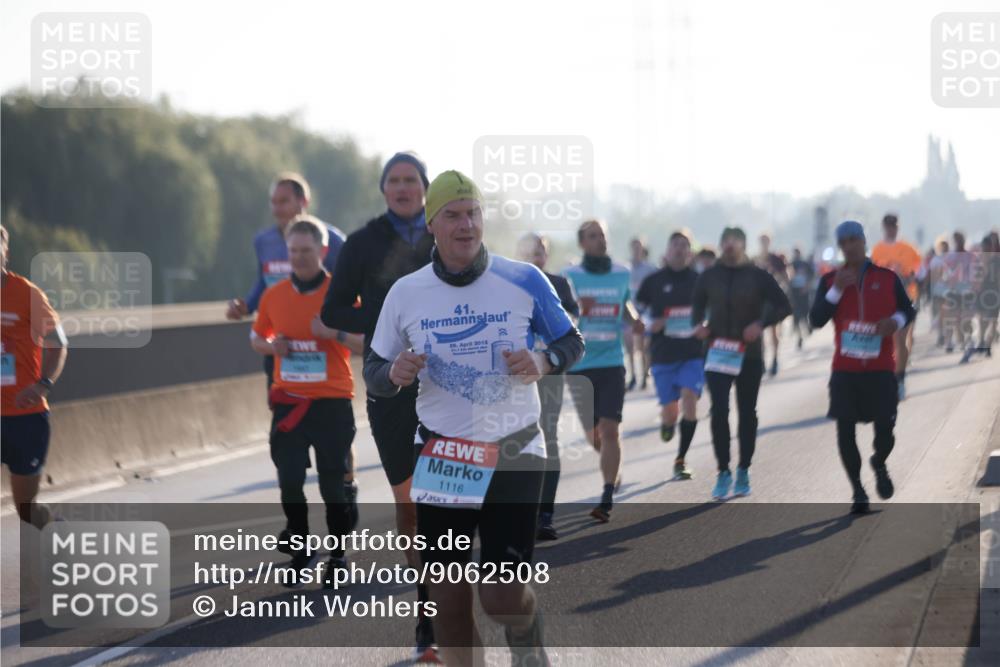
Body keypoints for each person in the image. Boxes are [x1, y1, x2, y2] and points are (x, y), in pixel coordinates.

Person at [364, 170, 584, 667]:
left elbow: (573, 341)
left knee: (502, 599)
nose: (466, 225)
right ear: (432, 226)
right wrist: (394, 372)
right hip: (445, 454)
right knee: (449, 607)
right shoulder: (406, 293)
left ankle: (529, 641)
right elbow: (373, 370)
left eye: (474, 213)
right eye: (453, 215)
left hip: (514, 447)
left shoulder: (524, 278)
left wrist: (545, 362)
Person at [319, 151, 441, 661]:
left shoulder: (447, 233)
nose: (402, 187)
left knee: (445, 498)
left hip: (447, 382)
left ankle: (432, 610)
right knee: (410, 499)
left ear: (425, 187)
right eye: (394, 180)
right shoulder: (364, 242)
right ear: (384, 189)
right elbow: (331, 309)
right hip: (388, 382)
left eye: (411, 179)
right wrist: (386, 316)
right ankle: (427, 598)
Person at [226, 173, 357, 547]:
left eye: (283, 201)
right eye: (273, 202)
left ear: (302, 202)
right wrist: (249, 314)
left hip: (332, 388)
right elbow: (260, 290)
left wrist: (335, 329)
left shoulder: (333, 240)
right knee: (289, 469)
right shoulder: (264, 242)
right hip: (285, 364)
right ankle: (297, 533)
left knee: (332, 472)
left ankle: (345, 490)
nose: (276, 208)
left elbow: (353, 300)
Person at [250, 217, 363, 587]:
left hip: (332, 402)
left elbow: (365, 340)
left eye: (306, 251)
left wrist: (330, 332)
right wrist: (272, 347)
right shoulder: (274, 295)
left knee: (332, 486)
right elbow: (256, 337)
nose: (298, 258)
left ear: (323, 251)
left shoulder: (340, 294)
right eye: (293, 251)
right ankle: (300, 551)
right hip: (290, 403)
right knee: (290, 481)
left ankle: (338, 555)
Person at [810, 221, 915, 514]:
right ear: (840, 246)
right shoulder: (830, 281)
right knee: (845, 431)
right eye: (843, 242)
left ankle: (879, 462)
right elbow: (816, 319)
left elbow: (908, 309)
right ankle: (857, 489)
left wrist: (895, 322)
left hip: (881, 369)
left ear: (864, 241)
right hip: (845, 370)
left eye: (854, 239)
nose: (849, 246)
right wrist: (836, 292)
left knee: (886, 429)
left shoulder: (887, 277)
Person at [692, 227, 791, 500]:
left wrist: (761, 324)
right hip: (717, 351)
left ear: (744, 245)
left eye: (735, 241)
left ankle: (743, 469)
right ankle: (723, 471)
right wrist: (699, 325)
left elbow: (784, 305)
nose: (730, 245)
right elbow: (696, 308)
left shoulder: (758, 275)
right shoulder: (709, 276)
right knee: (719, 410)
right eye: (726, 240)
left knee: (747, 412)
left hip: (749, 354)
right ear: (721, 244)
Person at [564, 220, 645, 523]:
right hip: (580, 365)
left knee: (610, 430)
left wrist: (635, 321)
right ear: (582, 242)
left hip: (612, 362)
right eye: (593, 236)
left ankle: (607, 494)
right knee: (593, 435)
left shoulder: (621, 272)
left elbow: (625, 305)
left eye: (603, 236)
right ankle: (612, 466)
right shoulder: (571, 276)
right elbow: (561, 314)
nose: (600, 241)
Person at [1, 225, 68, 528]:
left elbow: (58, 343)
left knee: (26, 510)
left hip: (25, 417)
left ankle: (56, 527)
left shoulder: (27, 294)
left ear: (6, 253)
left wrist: (43, 384)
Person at [516, 233, 580, 541]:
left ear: (547, 253)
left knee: (548, 436)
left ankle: (545, 514)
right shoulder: (509, 283)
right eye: (531, 250)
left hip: (550, 370)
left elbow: (572, 325)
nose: (537, 255)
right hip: (517, 373)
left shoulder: (560, 283)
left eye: (541, 250)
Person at [635, 230, 703, 480]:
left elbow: (711, 311)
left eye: (685, 245)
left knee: (689, 401)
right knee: (671, 411)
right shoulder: (653, 281)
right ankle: (666, 423)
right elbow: (636, 310)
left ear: (690, 252)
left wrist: (706, 325)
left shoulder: (699, 281)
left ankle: (681, 459)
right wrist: (651, 322)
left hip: (692, 354)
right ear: (667, 250)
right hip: (663, 355)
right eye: (676, 244)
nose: (680, 249)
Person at [871, 214, 923, 399]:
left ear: (897, 228)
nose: (891, 229)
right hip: (884, 301)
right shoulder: (877, 250)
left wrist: (911, 276)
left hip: (906, 300)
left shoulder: (908, 248)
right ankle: (890, 375)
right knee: (889, 342)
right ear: (883, 227)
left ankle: (900, 379)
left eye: (894, 226)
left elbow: (921, 269)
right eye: (888, 226)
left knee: (900, 340)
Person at [963, 232, 1000, 362]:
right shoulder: (980, 259)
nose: (986, 249)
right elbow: (977, 276)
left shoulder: (996, 259)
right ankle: (983, 341)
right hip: (983, 292)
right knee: (983, 319)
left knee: (993, 321)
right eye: (984, 247)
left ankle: (988, 345)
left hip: (995, 293)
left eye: (987, 247)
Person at [755, 234, 789, 376]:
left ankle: (775, 359)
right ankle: (761, 360)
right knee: (759, 332)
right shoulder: (755, 259)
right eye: (762, 241)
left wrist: (776, 281)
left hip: (772, 299)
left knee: (774, 331)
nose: (764, 244)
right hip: (759, 300)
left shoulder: (775, 259)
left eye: (766, 241)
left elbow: (786, 277)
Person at [626, 237, 656, 391]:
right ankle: (632, 376)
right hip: (629, 313)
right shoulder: (626, 268)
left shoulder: (650, 269)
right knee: (630, 345)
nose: (636, 251)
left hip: (645, 312)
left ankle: (644, 374)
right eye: (634, 248)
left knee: (643, 346)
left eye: (639, 248)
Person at [941, 231, 976, 355]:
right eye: (956, 240)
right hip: (955, 291)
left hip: (967, 290)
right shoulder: (950, 257)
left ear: (964, 240)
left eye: (960, 239)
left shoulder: (970, 256)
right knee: (956, 318)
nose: (959, 242)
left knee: (966, 317)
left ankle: (970, 340)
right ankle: (960, 342)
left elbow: (974, 273)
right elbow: (946, 274)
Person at [788, 247, 815, 350]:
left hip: (803, 293)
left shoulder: (805, 264)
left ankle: (808, 326)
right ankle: (799, 337)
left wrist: (807, 286)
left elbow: (812, 275)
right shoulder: (791, 264)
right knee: (796, 317)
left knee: (804, 314)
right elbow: (788, 277)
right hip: (794, 294)